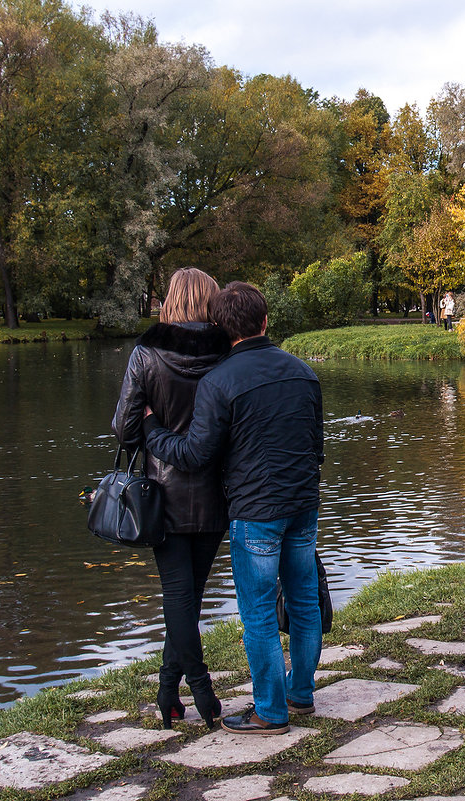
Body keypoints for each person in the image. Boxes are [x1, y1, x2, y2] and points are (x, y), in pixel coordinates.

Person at [142, 282, 324, 735]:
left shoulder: (219, 381)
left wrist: (151, 431)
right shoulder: (303, 372)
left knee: (259, 613)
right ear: (266, 321)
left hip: (256, 510)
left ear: (223, 330)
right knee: (303, 602)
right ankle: (300, 693)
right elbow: (317, 447)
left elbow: (194, 454)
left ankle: (270, 712)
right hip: (303, 503)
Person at [111, 267, 231, 729]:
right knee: (188, 597)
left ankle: (195, 686)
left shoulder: (146, 353)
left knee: (180, 597)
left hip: (162, 493)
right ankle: (168, 693)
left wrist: (149, 420)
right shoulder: (228, 352)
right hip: (218, 491)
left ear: (170, 300)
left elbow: (123, 430)